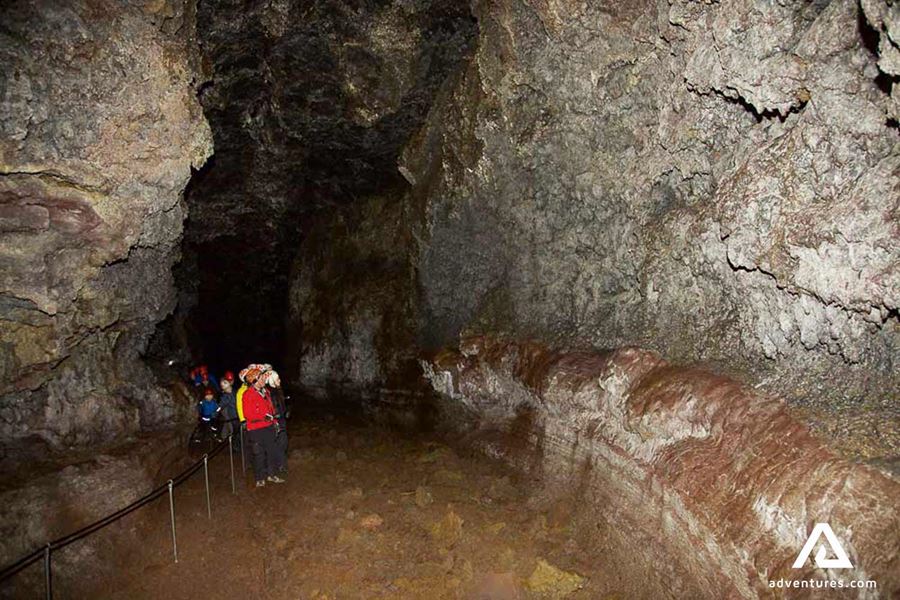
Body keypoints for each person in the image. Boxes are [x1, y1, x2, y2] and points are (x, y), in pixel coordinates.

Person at [242, 365, 285, 487]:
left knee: (271, 451)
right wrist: (263, 416)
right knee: (259, 454)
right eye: (261, 378)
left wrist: (274, 419)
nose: (263, 380)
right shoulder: (248, 394)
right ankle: (259, 478)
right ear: (254, 381)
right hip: (256, 429)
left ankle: (272, 474)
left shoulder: (266, 392)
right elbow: (248, 414)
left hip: (268, 427)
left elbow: (270, 408)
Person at [265, 370, 288, 475]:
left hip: (281, 420)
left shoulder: (278, 391)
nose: (280, 380)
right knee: (279, 443)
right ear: (272, 381)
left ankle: (281, 464)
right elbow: (271, 409)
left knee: (283, 443)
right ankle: (278, 465)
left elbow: (281, 405)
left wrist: (285, 411)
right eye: (277, 379)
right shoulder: (270, 393)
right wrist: (276, 418)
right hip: (276, 421)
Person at [218, 372, 239, 449]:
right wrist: (214, 412)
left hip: (239, 415)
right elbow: (220, 406)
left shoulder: (236, 392)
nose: (222, 385)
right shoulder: (224, 397)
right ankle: (235, 447)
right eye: (221, 384)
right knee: (235, 431)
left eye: (225, 383)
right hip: (233, 416)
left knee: (239, 431)